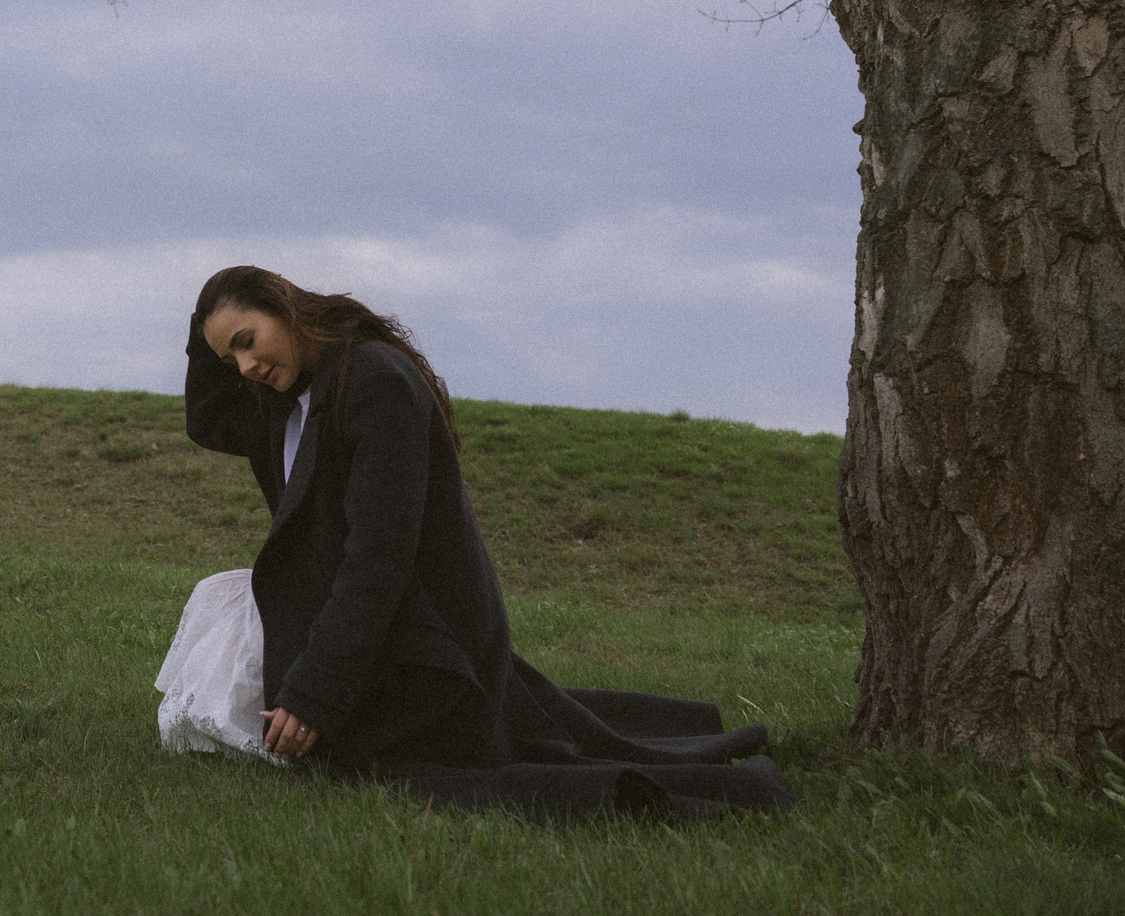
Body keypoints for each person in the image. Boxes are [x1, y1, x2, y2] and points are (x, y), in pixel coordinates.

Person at [174, 264, 796, 820]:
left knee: (390, 772)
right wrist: (207, 324)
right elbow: (205, 420)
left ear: (285, 307)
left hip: (428, 638)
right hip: (382, 631)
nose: (247, 368)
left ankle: (725, 789)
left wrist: (313, 695)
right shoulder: (284, 403)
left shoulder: (371, 382)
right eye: (231, 361)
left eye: (248, 343)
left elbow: (378, 560)